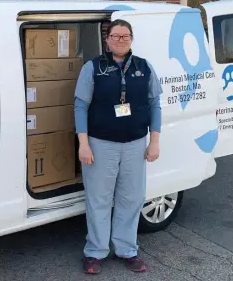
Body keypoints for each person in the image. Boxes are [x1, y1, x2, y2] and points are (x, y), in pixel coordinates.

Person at [74, 19, 162, 274]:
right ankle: (95, 252)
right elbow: (80, 106)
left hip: (135, 144)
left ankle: (127, 250)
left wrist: (154, 141)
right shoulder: (93, 67)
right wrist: (83, 144)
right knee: (98, 199)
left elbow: (154, 104)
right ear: (107, 40)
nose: (120, 40)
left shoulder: (144, 68)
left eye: (125, 36)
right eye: (115, 36)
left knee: (131, 198)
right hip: (101, 145)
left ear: (131, 39)